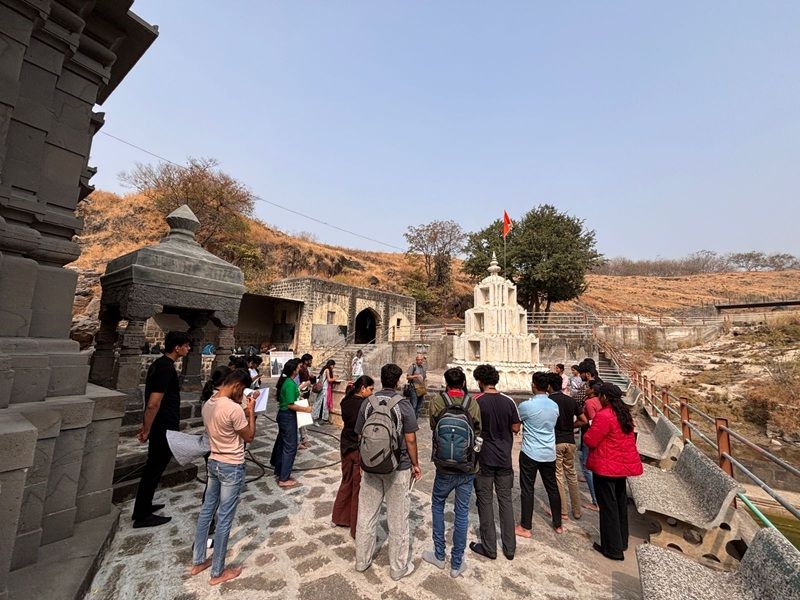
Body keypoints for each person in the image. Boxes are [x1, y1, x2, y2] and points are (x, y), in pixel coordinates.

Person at [191, 369, 258, 585]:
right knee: (224, 518)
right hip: (231, 465)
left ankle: (199, 559)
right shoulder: (233, 409)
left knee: (207, 511)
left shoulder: (209, 403)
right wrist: (250, 411)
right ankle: (218, 571)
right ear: (237, 386)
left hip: (213, 462)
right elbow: (249, 437)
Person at [354, 363, 421, 581]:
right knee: (398, 520)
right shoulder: (404, 405)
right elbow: (410, 439)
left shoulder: (367, 403)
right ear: (399, 380)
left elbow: (360, 435)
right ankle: (397, 567)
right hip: (398, 467)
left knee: (366, 515)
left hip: (371, 467)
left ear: (381, 379)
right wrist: (415, 464)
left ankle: (362, 561)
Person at [423, 368, 482, 578]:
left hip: (443, 466)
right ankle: (457, 563)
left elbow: (433, 426)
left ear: (446, 382)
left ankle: (439, 555)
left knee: (438, 505)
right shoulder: (472, 402)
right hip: (467, 466)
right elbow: (477, 431)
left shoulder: (438, 402)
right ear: (463, 382)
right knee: (462, 513)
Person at [132, 331, 192, 528]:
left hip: (161, 425)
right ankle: (141, 515)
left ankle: (144, 505)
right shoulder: (165, 368)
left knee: (154, 467)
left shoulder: (160, 365)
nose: (188, 348)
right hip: (162, 426)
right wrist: (147, 429)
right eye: (186, 345)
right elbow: (153, 403)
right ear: (177, 347)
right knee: (154, 467)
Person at [583, 383, 643, 561]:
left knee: (608, 507)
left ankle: (612, 548)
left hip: (607, 466)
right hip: (621, 466)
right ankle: (621, 541)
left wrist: (587, 431)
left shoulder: (605, 416)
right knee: (619, 504)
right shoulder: (623, 414)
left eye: (600, 395)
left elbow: (591, 441)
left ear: (605, 397)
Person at [469, 364, 520, 561]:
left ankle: (490, 547)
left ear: (479, 381)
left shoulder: (476, 401)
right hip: (504, 458)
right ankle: (510, 548)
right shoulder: (508, 401)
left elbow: (470, 426)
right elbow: (516, 427)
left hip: (484, 459)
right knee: (505, 501)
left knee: (485, 501)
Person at [516, 372, 563, 538]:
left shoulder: (526, 406)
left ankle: (525, 526)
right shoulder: (554, 406)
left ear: (534, 385)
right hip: (549, 451)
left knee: (527, 488)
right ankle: (558, 524)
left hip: (530, 451)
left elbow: (517, 423)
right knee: (552, 487)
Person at [332, 375, 375, 538]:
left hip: (345, 445)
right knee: (358, 488)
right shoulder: (364, 406)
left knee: (347, 481)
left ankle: (340, 517)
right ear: (362, 388)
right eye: (370, 389)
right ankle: (356, 527)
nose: (372, 393)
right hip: (357, 448)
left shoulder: (346, 401)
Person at [547, 373, 587, 522]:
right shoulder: (570, 401)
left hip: (556, 441)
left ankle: (562, 510)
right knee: (571, 474)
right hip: (570, 440)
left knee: (558, 476)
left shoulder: (549, 401)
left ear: (549, 386)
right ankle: (577, 510)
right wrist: (571, 426)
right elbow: (583, 420)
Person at [270, 359, 313, 489]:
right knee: (290, 447)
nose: (300, 369)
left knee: (283, 444)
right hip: (287, 416)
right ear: (294, 369)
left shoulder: (289, 382)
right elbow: (290, 404)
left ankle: (280, 471)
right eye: (299, 367)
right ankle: (284, 478)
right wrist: (306, 409)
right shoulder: (289, 383)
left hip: (285, 416)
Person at [579, 383, 603, 510]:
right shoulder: (599, 401)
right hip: (598, 437)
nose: (586, 389)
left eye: (588, 387)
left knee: (587, 467)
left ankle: (595, 501)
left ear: (592, 390)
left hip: (590, 436)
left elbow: (594, 421)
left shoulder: (589, 403)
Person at [296, 353, 314, 450]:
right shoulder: (301, 370)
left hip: (305, 395)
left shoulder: (305, 370)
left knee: (302, 419)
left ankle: (303, 438)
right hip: (300, 396)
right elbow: (297, 386)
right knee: (300, 419)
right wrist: (306, 383)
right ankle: (302, 439)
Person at [312, 359, 336, 424]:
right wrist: (335, 378)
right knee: (324, 403)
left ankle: (315, 416)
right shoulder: (327, 370)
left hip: (322, 388)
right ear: (331, 365)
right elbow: (329, 379)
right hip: (324, 388)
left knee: (318, 402)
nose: (333, 367)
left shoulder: (324, 369)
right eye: (333, 366)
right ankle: (321, 418)